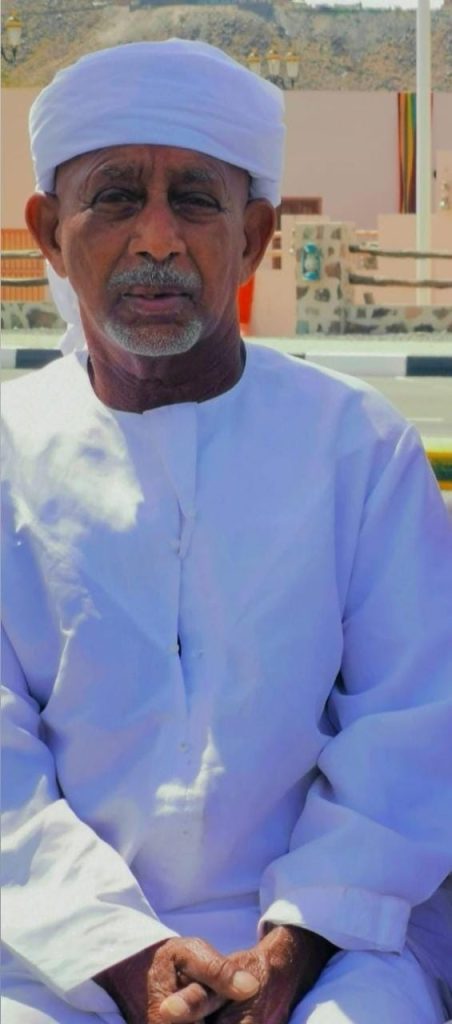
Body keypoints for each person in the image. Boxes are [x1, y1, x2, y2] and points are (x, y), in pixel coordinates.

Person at [1, 38, 451, 1024]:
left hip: (334, 945)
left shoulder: (356, 448)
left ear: (251, 237)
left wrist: (284, 955)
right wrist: (125, 958)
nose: (157, 238)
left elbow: (413, 728)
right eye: (117, 197)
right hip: (50, 954)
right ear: (48, 233)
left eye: (195, 201)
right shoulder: (8, 451)